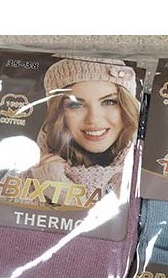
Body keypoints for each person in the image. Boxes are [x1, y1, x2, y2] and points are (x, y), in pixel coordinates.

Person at [22, 57, 140, 194]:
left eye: (108, 102)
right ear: (58, 113)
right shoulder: (27, 172)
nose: (93, 119)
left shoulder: (146, 169)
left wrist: (58, 190)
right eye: (76, 105)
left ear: (127, 107)